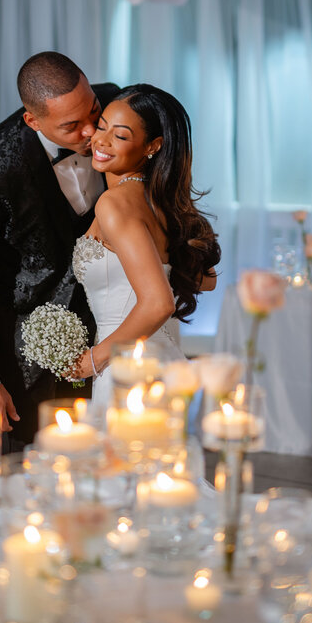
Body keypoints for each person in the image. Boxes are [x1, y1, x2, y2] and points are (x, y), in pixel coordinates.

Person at [0, 52, 119, 449]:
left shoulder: (117, 106)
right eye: (72, 126)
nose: (92, 132)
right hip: (25, 343)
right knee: (32, 467)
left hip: (109, 326)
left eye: (93, 111)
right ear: (32, 121)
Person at [67, 84, 220, 407]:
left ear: (153, 146)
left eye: (120, 136)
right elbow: (206, 280)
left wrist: (92, 360)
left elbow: (158, 304)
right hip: (164, 359)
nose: (101, 141)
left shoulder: (114, 204)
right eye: (102, 126)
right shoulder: (163, 202)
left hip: (129, 367)